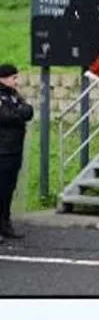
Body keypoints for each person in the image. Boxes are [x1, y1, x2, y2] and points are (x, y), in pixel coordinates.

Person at [0, 63, 33, 242]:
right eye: (13, 77)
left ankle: (5, 223)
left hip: (14, 149)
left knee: (9, 189)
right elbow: (5, 117)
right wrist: (18, 113)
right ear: (3, 78)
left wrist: (18, 113)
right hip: (2, 150)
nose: (16, 81)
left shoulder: (13, 96)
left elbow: (28, 110)